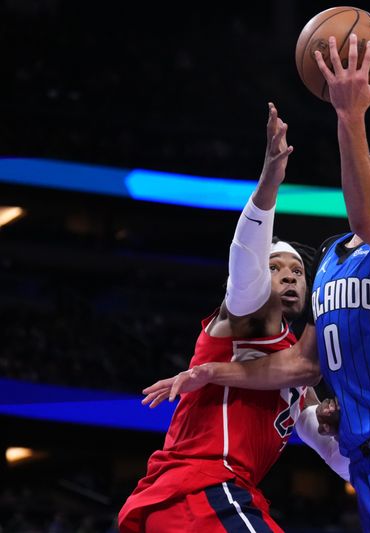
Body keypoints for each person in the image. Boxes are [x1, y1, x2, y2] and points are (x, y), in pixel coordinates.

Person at [142, 34, 370, 532]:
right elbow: (304, 364)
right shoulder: (328, 256)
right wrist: (210, 373)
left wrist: (351, 116)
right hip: (368, 466)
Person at [119, 103, 348, 533]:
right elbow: (245, 260)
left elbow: (328, 448)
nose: (289, 277)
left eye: (297, 271)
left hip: (203, 500)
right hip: (201, 487)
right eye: (276, 267)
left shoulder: (297, 370)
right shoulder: (249, 320)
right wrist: (269, 185)